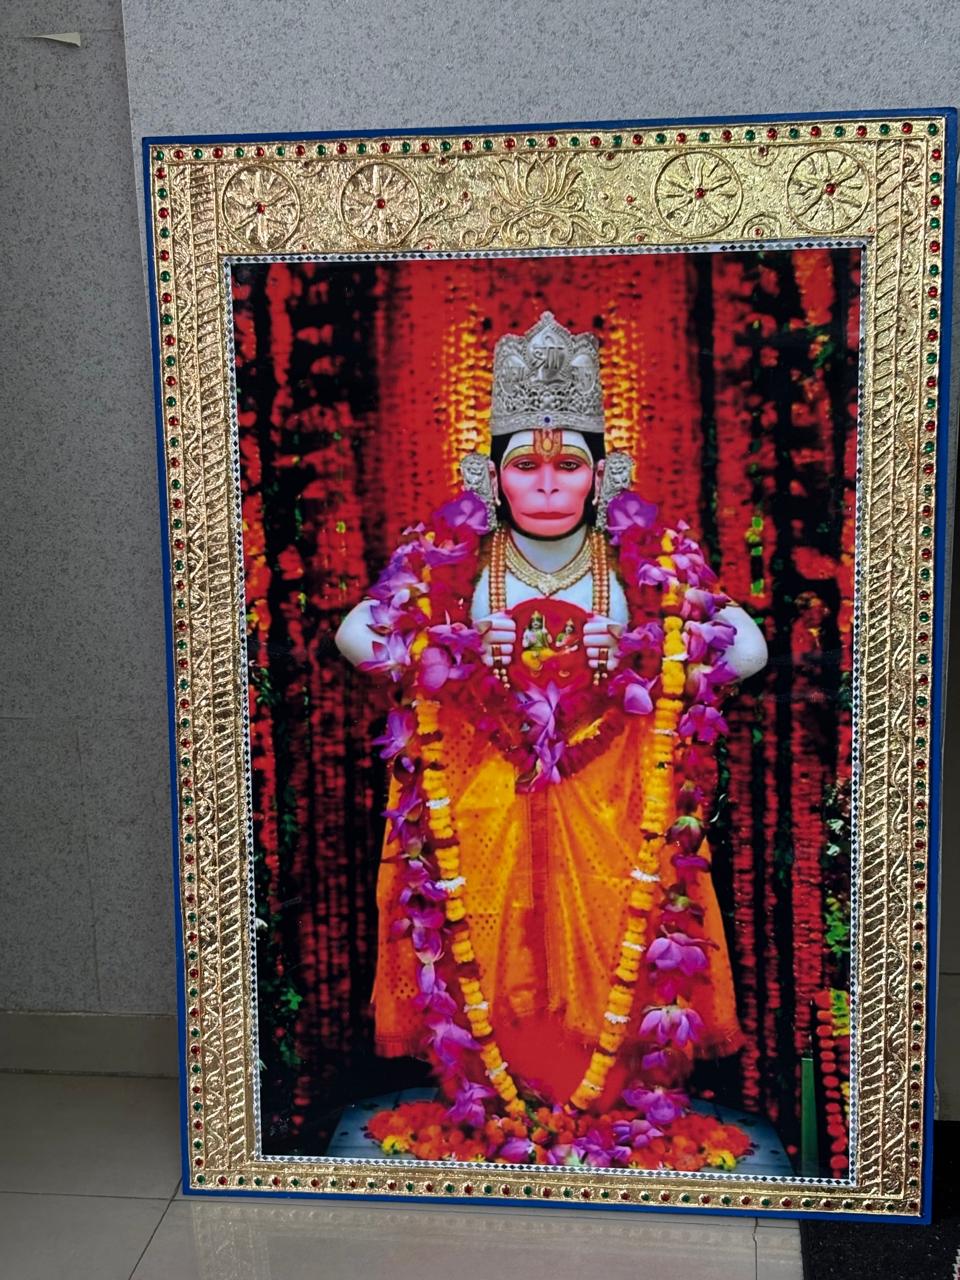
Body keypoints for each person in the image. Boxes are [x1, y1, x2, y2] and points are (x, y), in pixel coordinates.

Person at [335, 312, 767, 1165]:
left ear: (603, 475)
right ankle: (502, 1098)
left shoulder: (643, 562)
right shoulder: (456, 560)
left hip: (612, 804)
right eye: (524, 466)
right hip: (485, 800)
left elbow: (746, 649)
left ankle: (601, 1098)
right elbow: (355, 635)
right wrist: (453, 651)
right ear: (491, 478)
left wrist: (646, 648)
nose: (545, 485)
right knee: (486, 941)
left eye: (567, 465)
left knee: (615, 942)